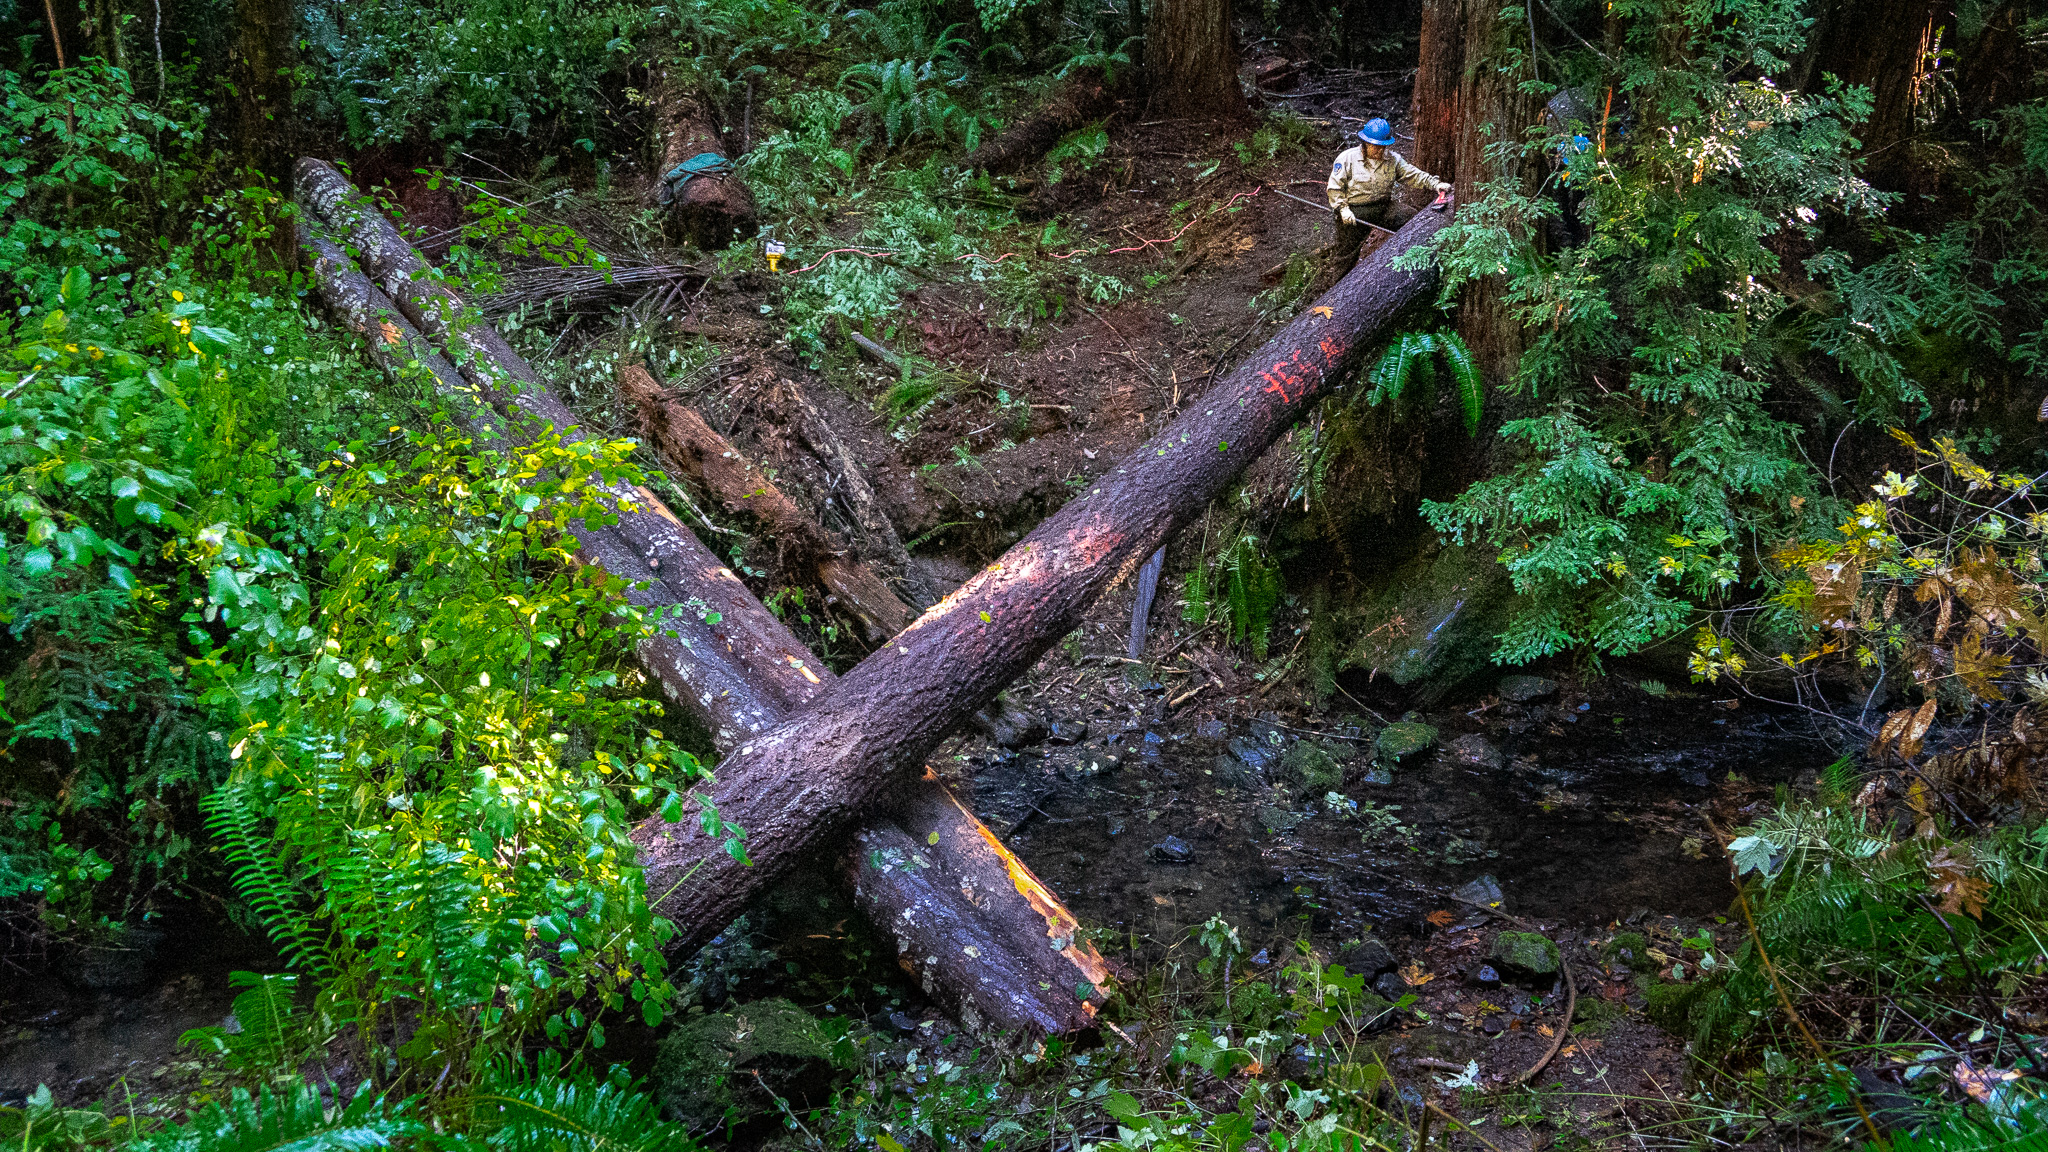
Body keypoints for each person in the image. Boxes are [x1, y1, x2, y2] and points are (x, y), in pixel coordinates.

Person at [1326, 119, 1450, 272]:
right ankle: (1338, 291)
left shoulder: (1393, 160)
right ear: (1365, 142)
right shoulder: (1347, 159)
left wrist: (1435, 183)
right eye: (1374, 146)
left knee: (1412, 220)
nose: (1378, 150)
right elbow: (1334, 188)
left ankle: (1415, 266)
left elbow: (1412, 174)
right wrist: (1342, 209)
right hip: (1354, 211)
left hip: (1383, 207)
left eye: (1382, 146)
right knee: (1346, 255)